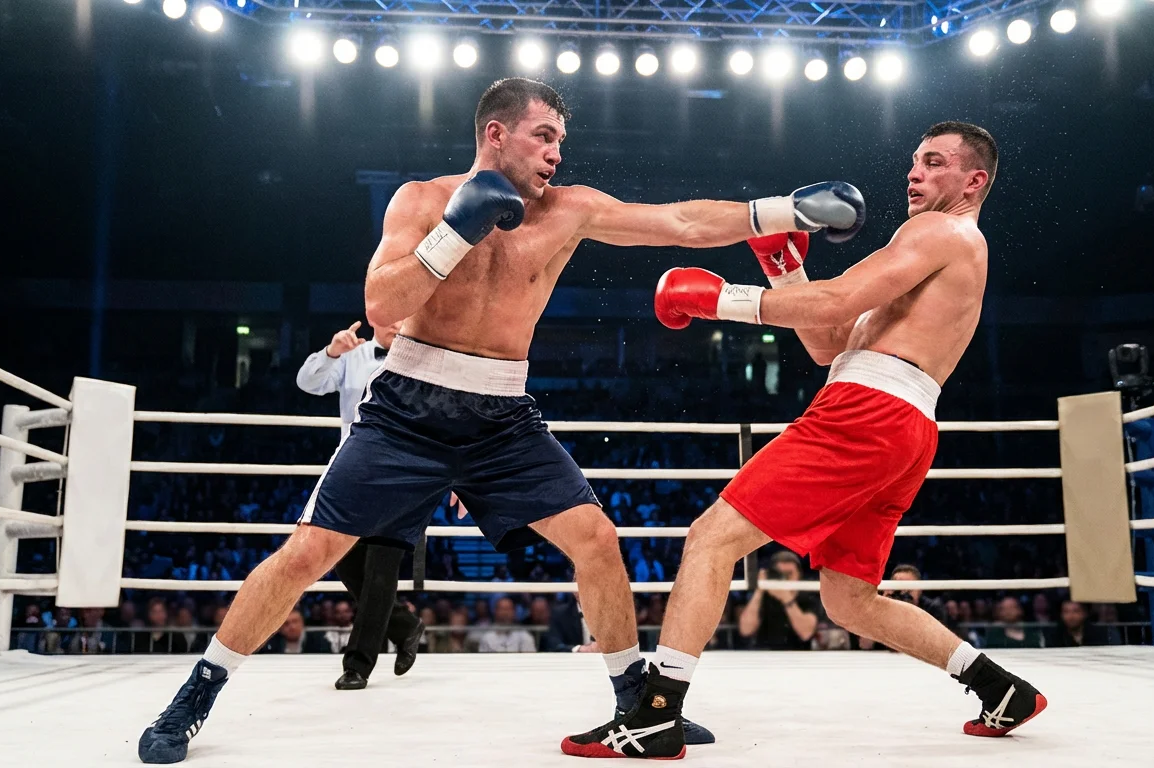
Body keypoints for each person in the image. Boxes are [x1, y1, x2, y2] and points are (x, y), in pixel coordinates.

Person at [137, 76, 861, 763]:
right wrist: (457, 230)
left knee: (598, 541)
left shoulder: (570, 209)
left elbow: (677, 223)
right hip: (405, 412)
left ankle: (635, 695)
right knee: (307, 555)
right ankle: (197, 692)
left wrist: (783, 209)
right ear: (496, 134)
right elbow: (384, 304)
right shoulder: (423, 200)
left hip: (503, 417)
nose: (556, 152)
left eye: (560, 140)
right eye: (544, 136)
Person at [564, 122, 1047, 759]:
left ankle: (655, 712)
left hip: (866, 413)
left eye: (934, 163)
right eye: (915, 162)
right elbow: (829, 343)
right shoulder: (943, 250)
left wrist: (719, 299)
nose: (915, 174)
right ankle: (999, 687)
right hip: (902, 424)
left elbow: (835, 302)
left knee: (711, 539)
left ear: (973, 181)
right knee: (848, 599)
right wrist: (786, 271)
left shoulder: (937, 231)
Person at [297, 319, 427, 690]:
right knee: (341, 557)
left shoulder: (425, 358)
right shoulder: (352, 355)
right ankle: (404, 624)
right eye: (391, 314)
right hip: (353, 471)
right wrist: (331, 352)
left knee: (382, 568)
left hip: (407, 472)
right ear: (375, 318)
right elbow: (307, 383)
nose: (398, 322)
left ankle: (357, 665)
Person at [736, 551, 818, 650]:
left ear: (799, 575)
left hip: (799, 656)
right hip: (764, 655)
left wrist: (786, 598)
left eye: (789, 574)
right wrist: (759, 590)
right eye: (780, 574)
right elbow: (746, 630)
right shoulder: (763, 597)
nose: (785, 579)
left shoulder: (808, 596)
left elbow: (806, 633)